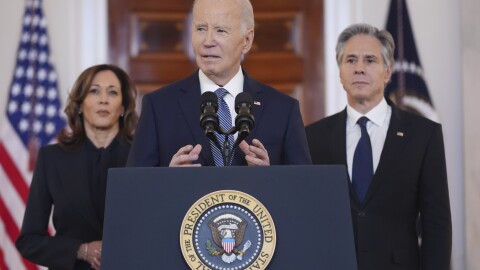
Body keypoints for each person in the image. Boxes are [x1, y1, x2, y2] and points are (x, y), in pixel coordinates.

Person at [305, 23, 451, 270]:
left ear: (388, 71)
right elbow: (306, 216)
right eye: (350, 60)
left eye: (370, 60)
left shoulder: (424, 135)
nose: (359, 68)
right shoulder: (313, 136)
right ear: (340, 71)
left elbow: (436, 224)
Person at [127, 0, 311, 167]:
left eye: (221, 30)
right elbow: (135, 191)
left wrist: (270, 178)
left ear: (247, 41)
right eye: (200, 29)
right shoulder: (158, 106)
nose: (207, 41)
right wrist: (168, 180)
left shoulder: (283, 110)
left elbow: (303, 191)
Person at [16, 64, 138, 270]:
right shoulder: (51, 159)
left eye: (113, 92)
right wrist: (81, 250)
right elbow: (29, 240)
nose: (103, 100)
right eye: (94, 91)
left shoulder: (142, 156)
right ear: (80, 105)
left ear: (123, 108)